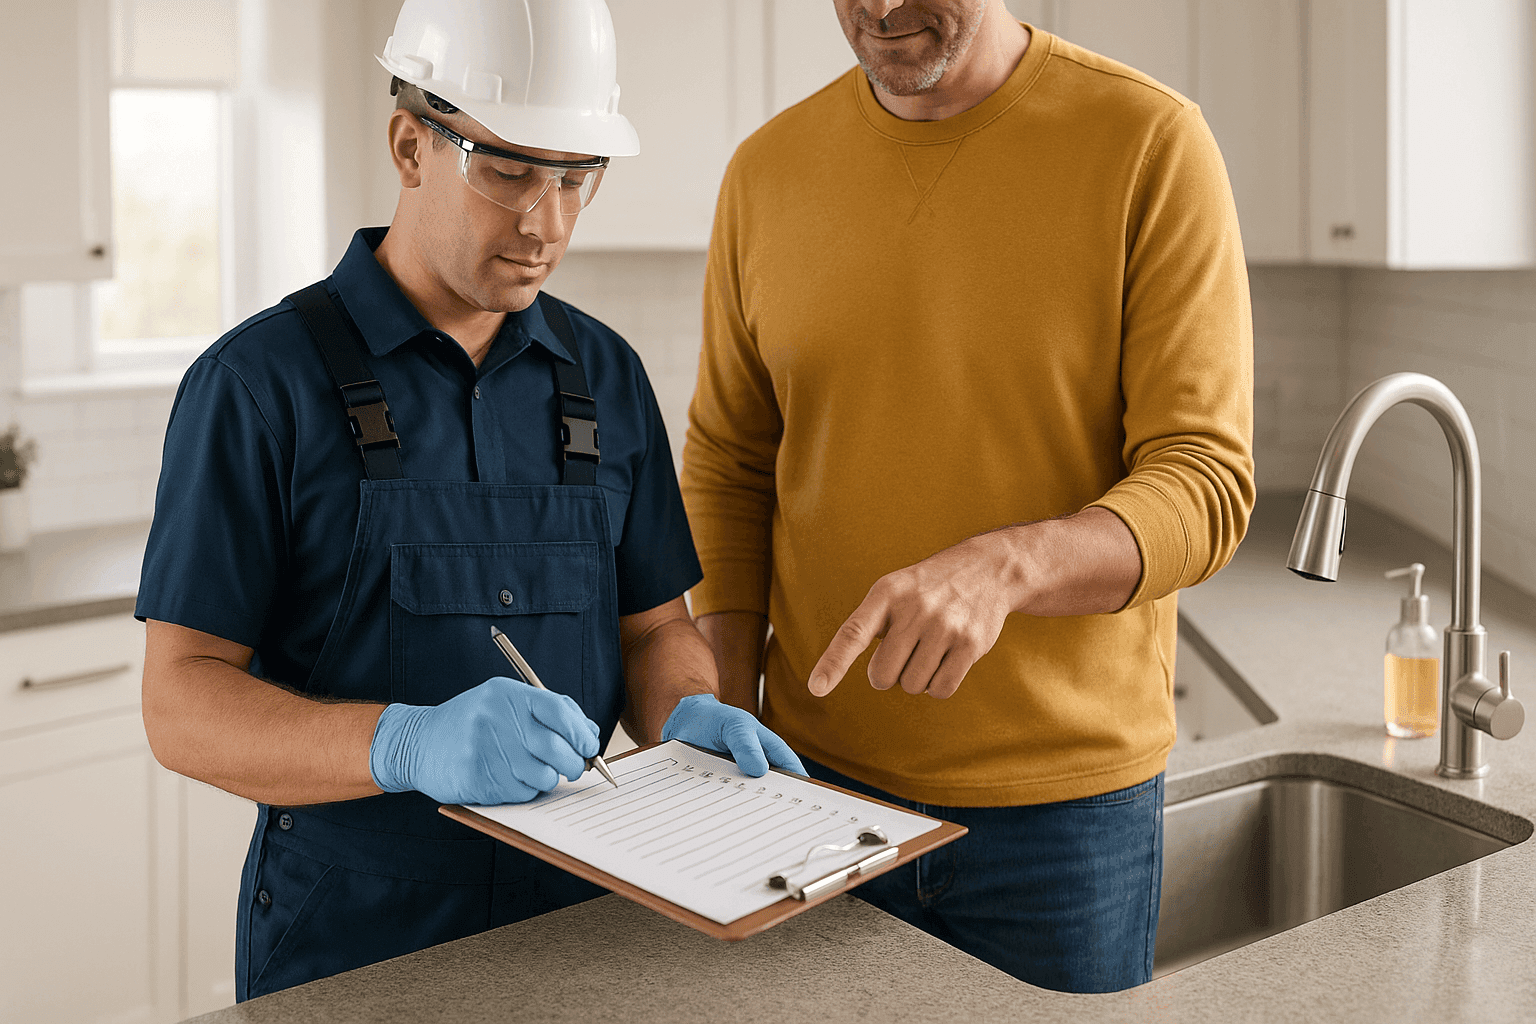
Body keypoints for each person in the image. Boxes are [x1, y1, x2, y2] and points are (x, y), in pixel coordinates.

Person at [137, 0, 801, 1001]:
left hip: (590, 930)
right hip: (353, 943)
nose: (550, 222)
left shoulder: (606, 377)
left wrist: (689, 710)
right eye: (510, 170)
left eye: (579, 177)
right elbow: (179, 701)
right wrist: (404, 742)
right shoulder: (257, 386)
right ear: (410, 144)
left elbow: (656, 627)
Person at [682, 0, 1254, 994]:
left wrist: (1009, 565)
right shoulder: (766, 172)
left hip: (1065, 825)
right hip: (813, 792)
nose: (884, 7)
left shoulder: (1149, 143)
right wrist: (726, 712)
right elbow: (731, 461)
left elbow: (1203, 480)